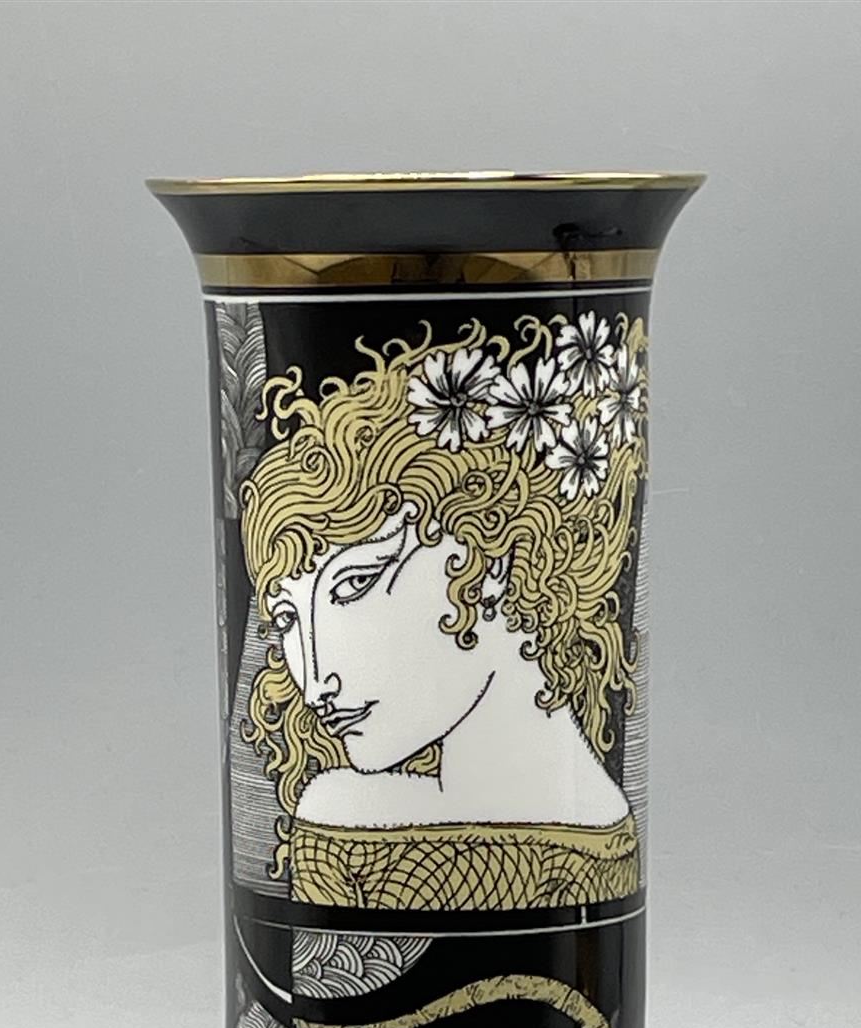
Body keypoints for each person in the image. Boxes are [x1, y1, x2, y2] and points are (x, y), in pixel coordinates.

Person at [240, 311, 648, 911]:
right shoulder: (608, 834)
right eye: (288, 621)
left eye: (354, 584)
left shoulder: (340, 818)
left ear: (493, 549)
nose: (316, 677)